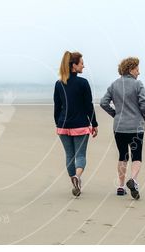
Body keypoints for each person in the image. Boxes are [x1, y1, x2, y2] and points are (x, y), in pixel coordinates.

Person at [100, 57, 145, 200]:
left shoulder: (114, 85)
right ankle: (133, 180)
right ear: (130, 69)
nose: (139, 73)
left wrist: (115, 114)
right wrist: (143, 117)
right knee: (137, 156)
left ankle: (121, 186)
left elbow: (103, 103)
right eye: (137, 69)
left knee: (123, 155)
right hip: (136, 126)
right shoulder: (137, 84)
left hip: (119, 127)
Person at [53, 51, 98, 197]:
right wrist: (94, 123)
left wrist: (58, 125)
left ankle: (74, 182)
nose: (84, 66)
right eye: (81, 63)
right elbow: (88, 106)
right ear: (74, 65)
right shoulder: (83, 83)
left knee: (69, 155)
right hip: (80, 125)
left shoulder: (59, 84)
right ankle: (77, 177)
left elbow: (57, 107)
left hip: (63, 125)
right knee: (80, 155)